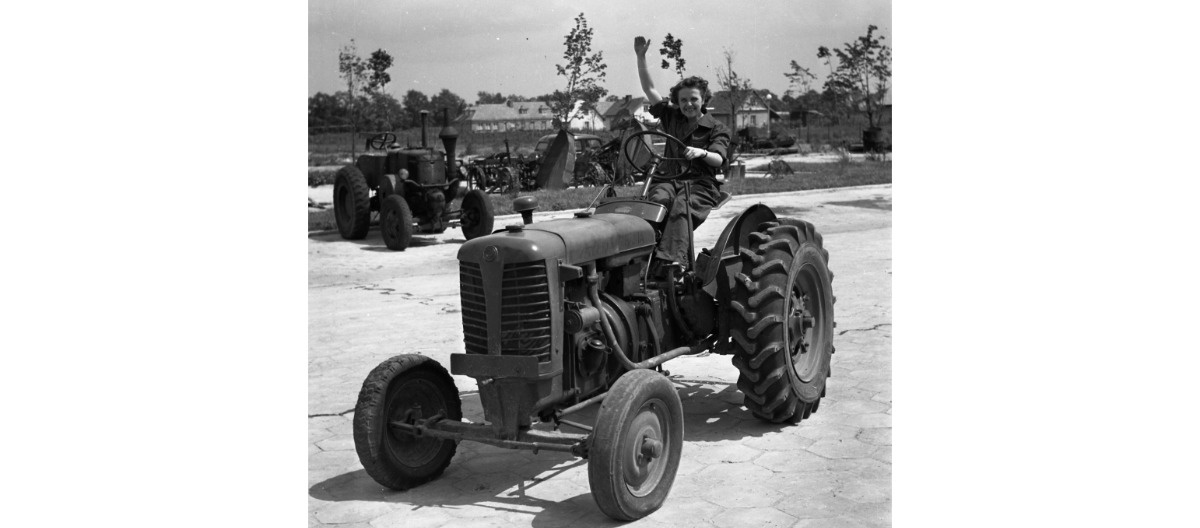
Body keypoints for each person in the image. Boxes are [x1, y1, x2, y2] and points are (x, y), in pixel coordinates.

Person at [634, 36, 730, 273]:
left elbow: (718, 159)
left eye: (693, 99)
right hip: (669, 180)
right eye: (683, 100)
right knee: (656, 203)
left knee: (681, 207)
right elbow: (649, 89)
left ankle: (672, 264)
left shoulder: (717, 128)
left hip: (700, 185)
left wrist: (702, 152)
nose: (688, 104)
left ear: (703, 99)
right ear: (677, 102)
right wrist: (641, 56)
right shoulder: (672, 117)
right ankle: (641, 260)